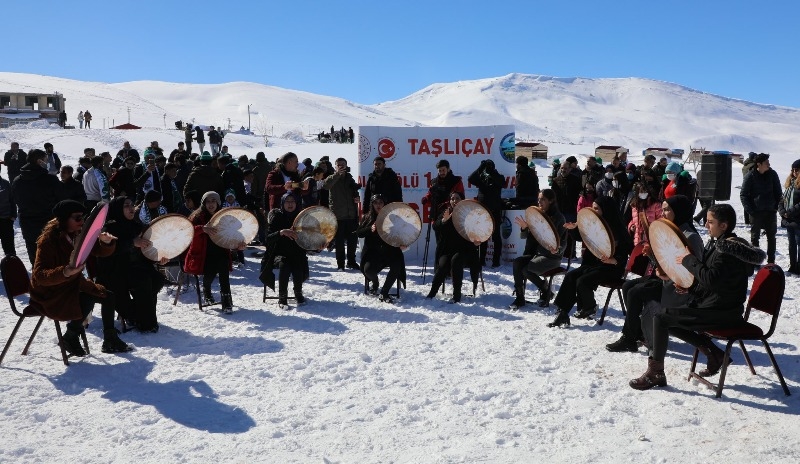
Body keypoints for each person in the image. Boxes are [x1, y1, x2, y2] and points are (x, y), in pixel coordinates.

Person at [629, 204, 765, 390]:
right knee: (664, 317)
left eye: (710, 222)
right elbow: (718, 285)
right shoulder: (724, 245)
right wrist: (690, 289)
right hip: (719, 307)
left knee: (661, 318)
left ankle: (656, 373)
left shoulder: (727, 252)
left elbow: (710, 280)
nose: (706, 225)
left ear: (723, 226)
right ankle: (714, 353)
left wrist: (687, 259)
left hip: (723, 313)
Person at [30, 200, 130, 355]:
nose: (82, 221)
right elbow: (40, 276)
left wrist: (105, 242)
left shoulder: (77, 234)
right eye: (77, 218)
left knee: (107, 295)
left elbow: (98, 251)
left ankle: (110, 339)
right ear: (64, 219)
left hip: (71, 285)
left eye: (83, 217)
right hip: (51, 293)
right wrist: (65, 272)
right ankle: (71, 336)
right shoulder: (48, 241)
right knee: (87, 298)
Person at [606, 194, 703, 352]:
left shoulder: (690, 237)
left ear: (678, 211)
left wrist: (669, 276)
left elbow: (694, 271)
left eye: (667, 210)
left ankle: (629, 338)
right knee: (628, 286)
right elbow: (664, 261)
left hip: (676, 287)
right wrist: (651, 254)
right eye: (663, 210)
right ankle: (636, 333)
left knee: (636, 293)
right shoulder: (670, 230)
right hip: (664, 278)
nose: (663, 213)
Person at [547, 195, 633, 327]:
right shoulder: (593, 224)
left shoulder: (617, 227)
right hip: (594, 264)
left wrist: (614, 260)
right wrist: (574, 229)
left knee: (582, 280)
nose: (593, 211)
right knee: (571, 276)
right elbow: (582, 237)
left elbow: (627, 250)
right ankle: (563, 313)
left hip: (612, 268)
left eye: (596, 208)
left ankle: (590, 307)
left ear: (606, 209)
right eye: (592, 208)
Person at [96, 197, 165, 333]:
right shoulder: (109, 228)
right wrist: (131, 243)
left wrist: (158, 258)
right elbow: (110, 251)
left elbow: (146, 250)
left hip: (135, 267)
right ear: (117, 209)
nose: (131, 208)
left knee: (157, 278)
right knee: (143, 280)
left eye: (132, 204)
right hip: (115, 270)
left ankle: (141, 315)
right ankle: (144, 321)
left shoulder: (136, 226)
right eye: (126, 205)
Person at [184, 191, 244, 313]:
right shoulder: (197, 217)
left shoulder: (224, 216)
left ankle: (226, 301)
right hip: (203, 254)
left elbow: (233, 233)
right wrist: (202, 228)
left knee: (223, 268)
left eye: (213, 201)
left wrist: (239, 245)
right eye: (208, 201)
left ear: (218, 202)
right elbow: (188, 232)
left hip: (221, 250)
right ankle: (206, 289)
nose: (211, 204)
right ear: (203, 203)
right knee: (209, 275)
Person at [509, 189, 566, 310]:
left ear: (551, 201)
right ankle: (520, 297)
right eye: (539, 199)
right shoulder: (537, 214)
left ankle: (546, 290)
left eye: (543, 199)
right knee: (517, 262)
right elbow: (525, 237)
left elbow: (563, 242)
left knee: (526, 269)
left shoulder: (559, 218)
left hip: (552, 257)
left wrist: (557, 250)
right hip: (537, 253)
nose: (539, 202)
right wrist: (524, 228)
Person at [425, 191, 482, 303]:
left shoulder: (469, 215)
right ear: (449, 201)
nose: (455, 200)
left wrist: (477, 241)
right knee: (442, 265)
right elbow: (436, 227)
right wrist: (443, 221)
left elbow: (478, 232)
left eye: (457, 198)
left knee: (456, 260)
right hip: (448, 251)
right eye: (452, 198)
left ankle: (456, 295)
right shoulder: (445, 213)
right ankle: (432, 292)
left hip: (466, 251)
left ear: (462, 200)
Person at [11, 149, 65, 264]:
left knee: (35, 256)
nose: (47, 163)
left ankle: (38, 278)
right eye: (45, 160)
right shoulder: (50, 179)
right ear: (39, 161)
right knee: (52, 256)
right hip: (49, 223)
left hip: (27, 223)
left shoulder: (17, 180)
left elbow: (16, 200)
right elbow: (61, 200)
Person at [260, 192, 309, 310]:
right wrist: (281, 232)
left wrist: (319, 245)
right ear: (283, 203)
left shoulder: (301, 217)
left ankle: (298, 293)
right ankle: (282, 297)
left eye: (293, 201)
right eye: (287, 201)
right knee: (285, 265)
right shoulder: (277, 217)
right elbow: (268, 238)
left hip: (297, 252)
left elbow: (309, 237)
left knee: (298, 264)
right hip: (279, 253)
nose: (290, 204)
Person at [356, 194, 406, 303]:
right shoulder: (367, 217)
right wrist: (370, 228)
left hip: (389, 251)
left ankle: (384, 292)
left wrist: (402, 244)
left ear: (384, 204)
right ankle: (375, 282)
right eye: (376, 203)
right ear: (372, 204)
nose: (378, 205)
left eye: (381, 203)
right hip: (373, 253)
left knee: (397, 264)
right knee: (368, 270)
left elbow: (400, 234)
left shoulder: (392, 217)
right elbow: (359, 233)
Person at [740, 153, 781, 265]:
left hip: (770, 211)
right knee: (755, 238)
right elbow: (743, 195)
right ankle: (755, 262)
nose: (769, 164)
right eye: (766, 163)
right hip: (756, 212)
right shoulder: (750, 176)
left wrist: (776, 207)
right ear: (759, 164)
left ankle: (771, 261)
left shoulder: (772, 174)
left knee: (771, 237)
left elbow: (778, 192)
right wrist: (751, 210)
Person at [322, 158, 361, 270]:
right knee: (339, 242)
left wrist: (356, 198)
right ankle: (340, 264)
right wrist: (337, 175)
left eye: (343, 165)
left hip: (351, 214)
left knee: (352, 241)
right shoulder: (331, 178)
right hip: (338, 216)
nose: (341, 167)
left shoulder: (349, 178)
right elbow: (326, 186)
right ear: (335, 167)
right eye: (338, 165)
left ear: (346, 165)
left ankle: (351, 262)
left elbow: (354, 192)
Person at [469, 159, 504, 268]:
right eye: (486, 167)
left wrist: (492, 172)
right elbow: (471, 179)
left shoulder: (498, 177)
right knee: (482, 236)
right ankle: (481, 260)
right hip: (483, 212)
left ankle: (496, 261)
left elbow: (502, 182)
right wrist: (480, 168)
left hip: (495, 211)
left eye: (489, 166)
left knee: (496, 237)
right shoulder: (482, 178)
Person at [421, 159, 465, 239]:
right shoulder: (434, 182)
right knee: (440, 241)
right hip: (437, 215)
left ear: (448, 169)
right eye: (439, 170)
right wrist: (426, 198)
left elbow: (459, 197)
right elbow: (430, 194)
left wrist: (446, 204)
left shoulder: (456, 181)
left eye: (443, 170)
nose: (441, 173)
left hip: (452, 215)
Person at [779, 159, 800, 275]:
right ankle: (793, 266)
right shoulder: (790, 183)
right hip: (788, 219)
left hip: (797, 219)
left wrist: (790, 212)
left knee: (799, 243)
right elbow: (782, 199)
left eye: (797, 170)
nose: (794, 172)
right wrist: (782, 210)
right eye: (793, 170)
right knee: (791, 244)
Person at [627, 182, 662, 246]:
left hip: (651, 240)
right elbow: (633, 220)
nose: (643, 194)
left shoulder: (655, 204)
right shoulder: (635, 206)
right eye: (641, 192)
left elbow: (661, 219)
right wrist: (631, 226)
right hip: (638, 241)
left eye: (645, 192)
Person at [551, 157, 582, 222]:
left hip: (571, 211)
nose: (563, 170)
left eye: (565, 168)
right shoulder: (555, 181)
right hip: (558, 211)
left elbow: (579, 194)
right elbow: (552, 196)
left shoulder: (575, 180)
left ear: (570, 169)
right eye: (562, 168)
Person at [0, 164, 16, 257]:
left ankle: (11, 264)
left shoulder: (5, 184)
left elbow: (12, 200)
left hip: (6, 219)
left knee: (9, 246)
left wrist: (13, 215)